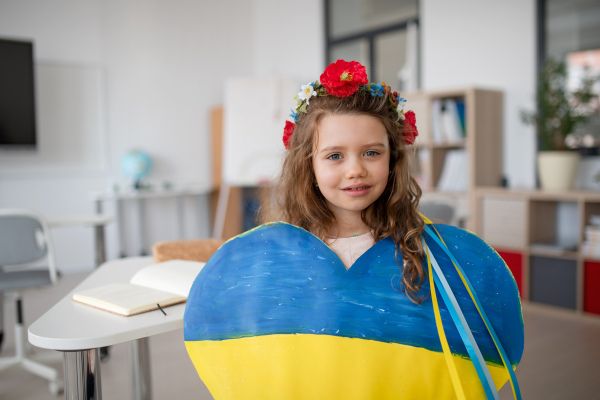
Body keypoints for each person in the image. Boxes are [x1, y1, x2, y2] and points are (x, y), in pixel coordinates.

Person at [184, 60, 523, 400]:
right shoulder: (277, 258)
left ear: (393, 159)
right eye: (334, 156)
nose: (355, 170)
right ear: (309, 164)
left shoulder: (430, 254)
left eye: (371, 153)